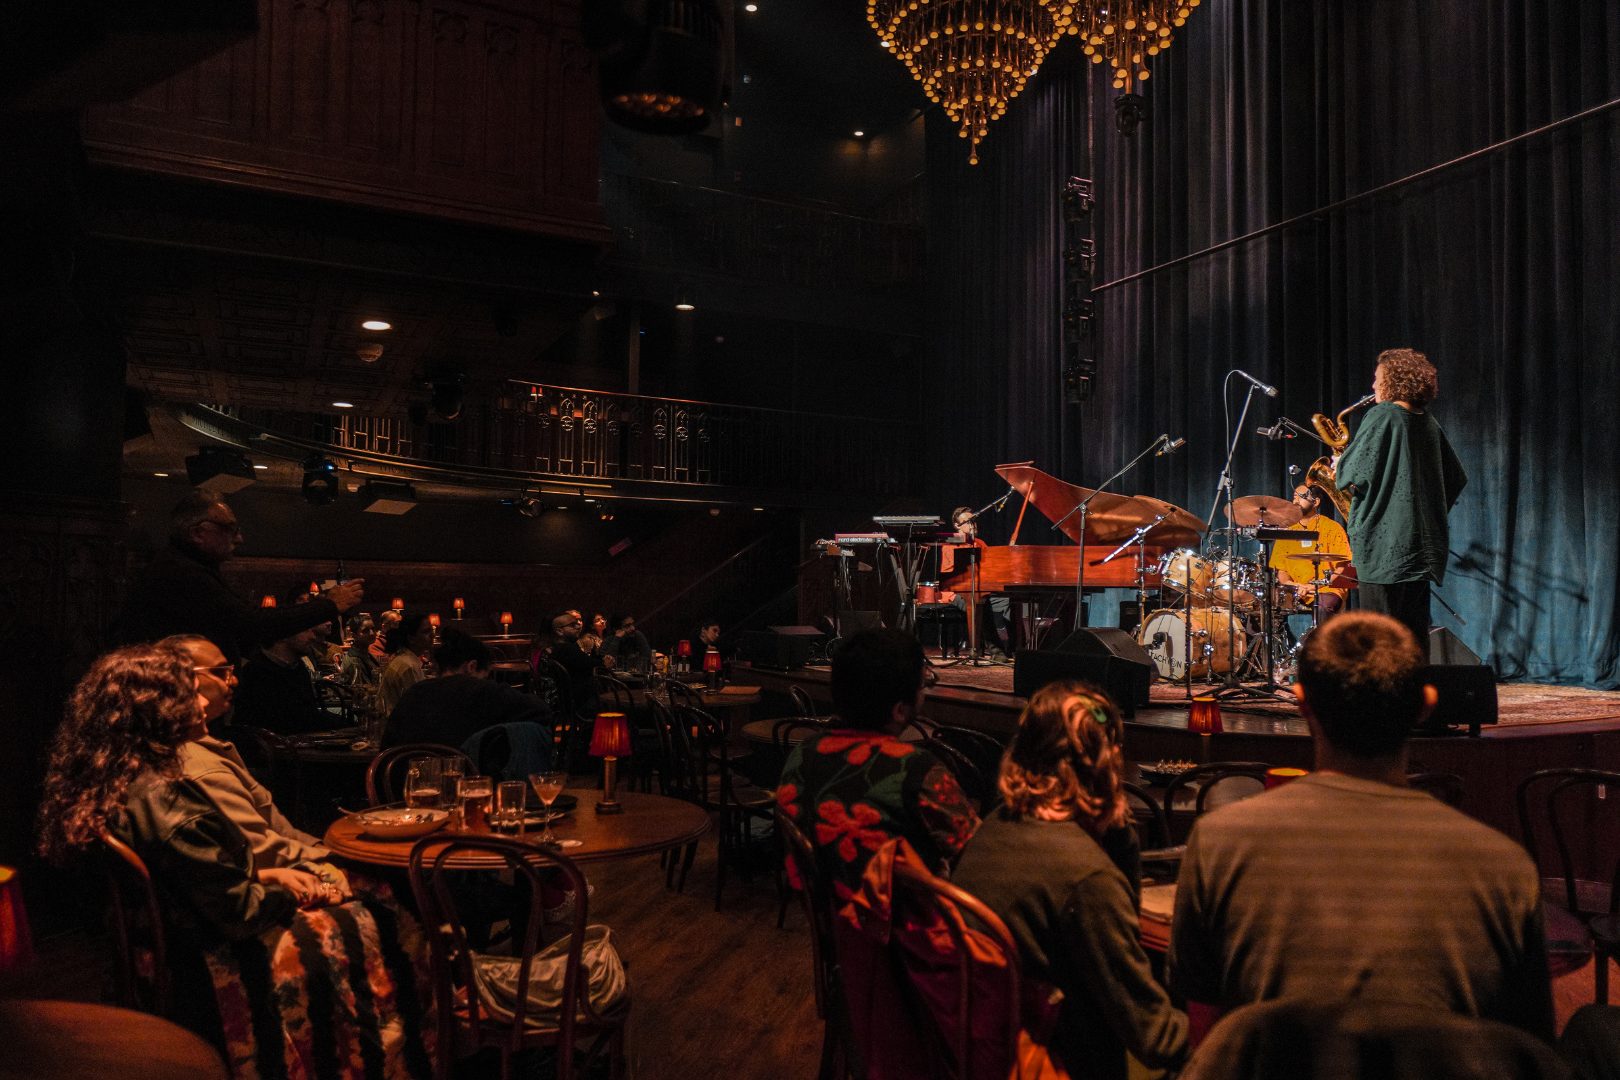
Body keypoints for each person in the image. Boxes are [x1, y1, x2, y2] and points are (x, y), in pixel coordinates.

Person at [36, 643, 433, 1077]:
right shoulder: (170, 795)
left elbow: (196, 877)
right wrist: (290, 891)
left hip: (171, 937)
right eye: (188, 691)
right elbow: (239, 911)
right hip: (206, 953)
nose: (201, 698)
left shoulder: (119, 773)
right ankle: (392, 1051)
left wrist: (267, 875)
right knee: (384, 915)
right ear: (155, 706)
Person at [1169, 612, 1553, 1041]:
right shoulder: (1503, 866)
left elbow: (1206, 1031)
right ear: (1426, 704)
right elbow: (1526, 1047)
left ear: (1301, 702)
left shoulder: (1222, 841)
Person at [952, 682, 1187, 1079]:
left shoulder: (994, 826)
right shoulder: (1086, 880)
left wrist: (1116, 837)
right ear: (1109, 762)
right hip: (1059, 1063)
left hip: (981, 1051)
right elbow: (1156, 1039)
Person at [776, 629, 979, 893]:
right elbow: (978, 854)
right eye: (923, 685)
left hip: (828, 913)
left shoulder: (802, 754)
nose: (924, 693)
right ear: (900, 710)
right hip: (902, 916)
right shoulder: (917, 770)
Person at [162, 635, 345, 883]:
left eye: (231, 670)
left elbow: (279, 832)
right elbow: (260, 850)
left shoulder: (210, 747)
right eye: (220, 672)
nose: (234, 680)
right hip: (278, 884)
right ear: (178, 683)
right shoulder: (197, 764)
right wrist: (334, 860)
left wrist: (321, 849)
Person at [114, 491, 365, 662]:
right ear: (198, 533)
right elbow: (250, 622)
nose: (239, 538)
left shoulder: (190, 567)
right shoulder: (181, 573)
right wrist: (328, 605)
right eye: (230, 529)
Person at [1333, 348, 1468, 645]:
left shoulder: (1383, 415)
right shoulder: (1427, 421)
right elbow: (1455, 478)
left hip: (1384, 550)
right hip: (1420, 550)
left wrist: (1339, 463)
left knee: (1380, 640)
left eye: (1377, 378)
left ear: (1393, 380)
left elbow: (1350, 474)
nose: (1373, 385)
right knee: (1412, 638)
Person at [384, 628, 552, 750]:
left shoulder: (414, 692)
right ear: (471, 667)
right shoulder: (483, 691)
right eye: (485, 675)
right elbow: (542, 711)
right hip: (464, 780)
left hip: (403, 782)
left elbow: (388, 743)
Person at [1267, 483, 1352, 623]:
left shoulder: (1332, 528)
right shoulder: (1288, 531)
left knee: (1323, 605)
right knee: (1261, 603)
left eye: (1300, 497)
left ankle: (1321, 638)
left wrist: (1314, 586)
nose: (1295, 501)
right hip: (1294, 589)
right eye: (1294, 497)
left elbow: (1342, 568)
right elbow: (1281, 570)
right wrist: (1292, 585)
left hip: (1326, 589)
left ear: (1316, 502)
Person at [231, 625, 334, 736]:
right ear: (283, 635)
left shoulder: (297, 667)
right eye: (305, 630)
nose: (312, 636)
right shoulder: (257, 673)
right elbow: (285, 723)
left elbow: (309, 715)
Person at [938, 505, 1011, 656]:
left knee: (1006, 599)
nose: (973, 525)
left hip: (979, 587)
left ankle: (1010, 644)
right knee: (979, 603)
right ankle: (994, 649)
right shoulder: (950, 543)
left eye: (974, 521)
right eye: (968, 522)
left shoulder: (980, 543)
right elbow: (949, 575)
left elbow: (990, 568)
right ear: (957, 525)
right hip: (954, 592)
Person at [375, 611, 433, 720]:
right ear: (411, 638)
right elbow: (417, 709)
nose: (432, 635)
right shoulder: (408, 665)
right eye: (425, 632)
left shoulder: (407, 659)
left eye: (431, 630)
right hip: (395, 726)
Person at [338, 612, 381, 687]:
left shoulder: (366, 653)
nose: (372, 633)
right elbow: (363, 690)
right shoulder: (354, 661)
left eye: (373, 629)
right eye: (365, 631)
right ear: (354, 635)